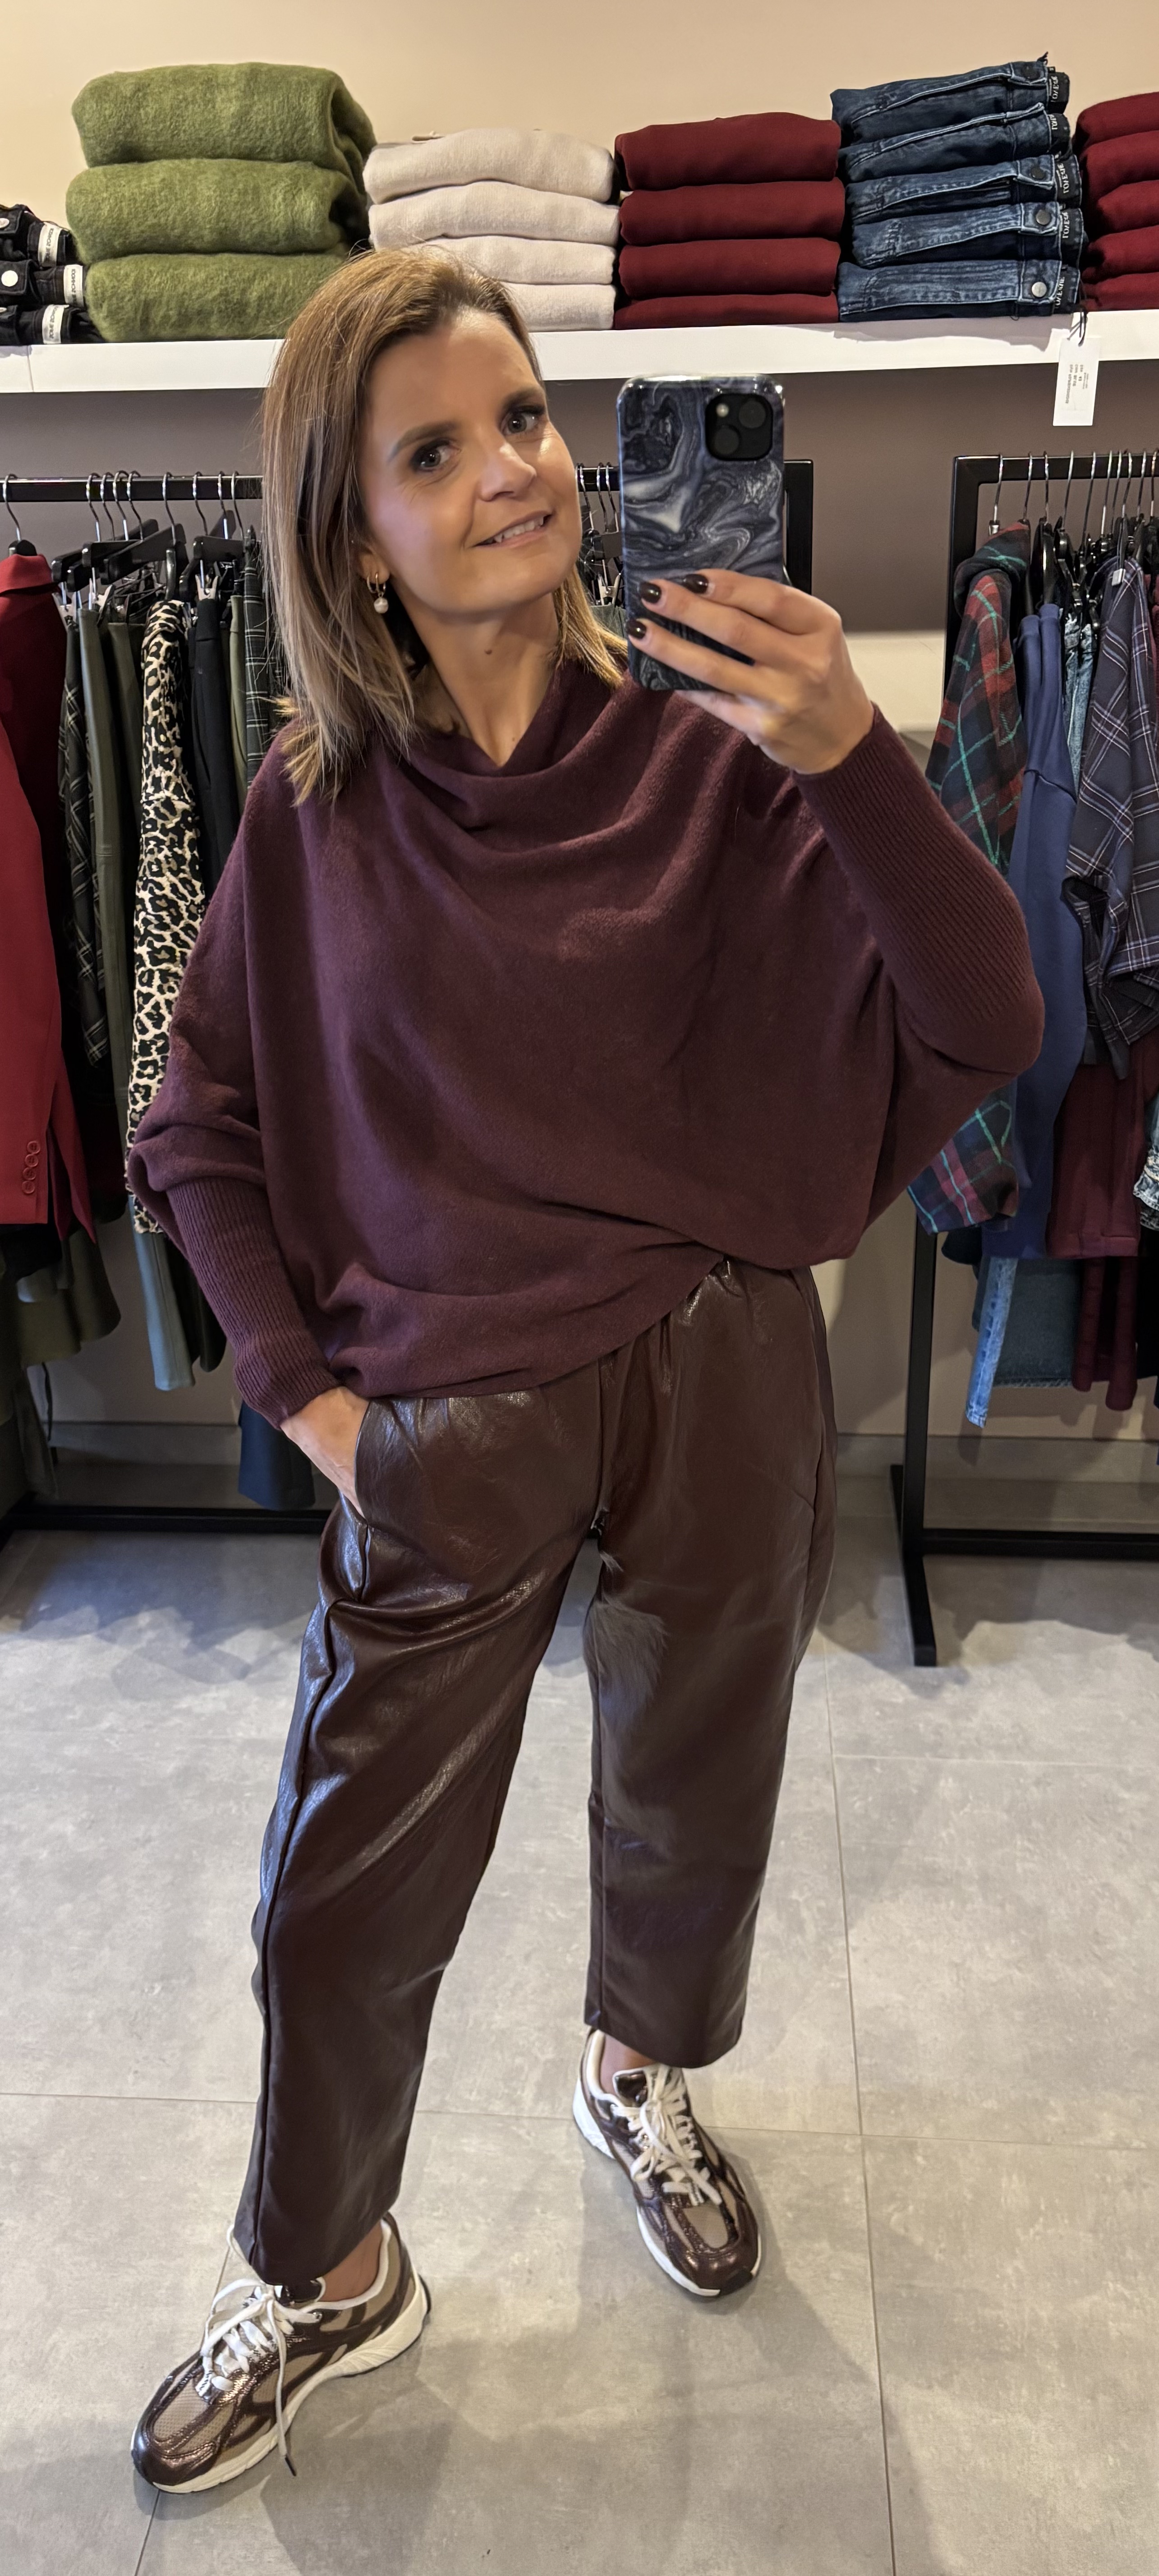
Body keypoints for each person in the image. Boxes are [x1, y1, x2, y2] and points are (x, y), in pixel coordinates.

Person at [126, 248, 1041, 2494]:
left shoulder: (725, 753)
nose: (511, 472)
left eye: (524, 419)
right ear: (356, 534)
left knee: (696, 1785)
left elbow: (988, 1017)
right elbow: (196, 1121)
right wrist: (311, 1403)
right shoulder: (313, 810)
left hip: (722, 1356)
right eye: (433, 451)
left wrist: (855, 758)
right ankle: (327, 2268)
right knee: (344, 1886)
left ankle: (637, 2075)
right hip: (452, 1410)